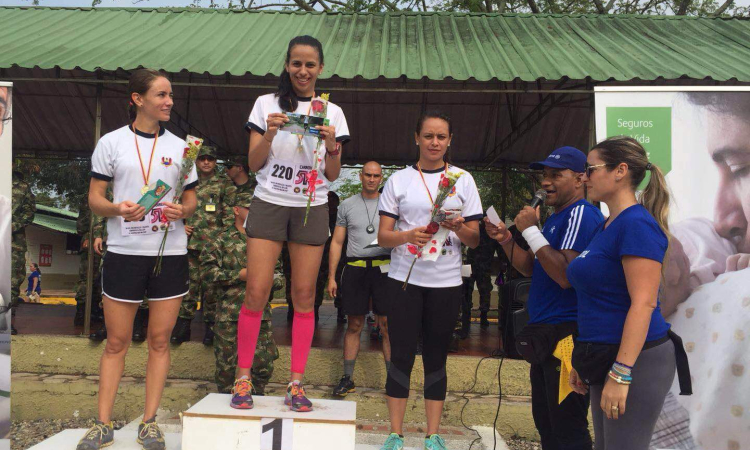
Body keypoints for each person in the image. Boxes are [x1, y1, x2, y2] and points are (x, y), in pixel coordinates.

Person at [76, 68, 198, 450]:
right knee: (117, 342)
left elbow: (192, 199)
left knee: (160, 341)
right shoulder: (111, 143)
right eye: (161, 95)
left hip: (169, 254)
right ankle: (102, 424)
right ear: (137, 99)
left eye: (171, 95)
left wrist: (184, 211)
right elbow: (95, 198)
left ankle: (150, 423)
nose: (169, 102)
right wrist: (116, 208)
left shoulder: (183, 148)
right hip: (125, 252)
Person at [232, 35, 349, 413]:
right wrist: (269, 132)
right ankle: (243, 377)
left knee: (303, 297)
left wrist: (332, 145)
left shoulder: (332, 112)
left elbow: (332, 174)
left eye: (310, 64)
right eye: (296, 63)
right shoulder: (266, 104)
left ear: (320, 69)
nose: (303, 70)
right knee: (256, 292)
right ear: (286, 65)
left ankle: (296, 383)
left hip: (311, 207)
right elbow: (252, 165)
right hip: (268, 202)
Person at [566, 136, 688, 450]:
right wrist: (584, 359)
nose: (584, 177)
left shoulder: (636, 224)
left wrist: (621, 373)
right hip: (605, 354)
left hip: (636, 359)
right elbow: (597, 299)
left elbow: (644, 302)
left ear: (620, 171)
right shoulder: (607, 224)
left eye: (590, 169)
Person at [377, 111, 482, 450]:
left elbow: (475, 240)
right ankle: (395, 433)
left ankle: (432, 435)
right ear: (417, 139)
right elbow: (383, 237)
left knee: (437, 356)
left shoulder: (463, 179)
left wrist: (458, 227)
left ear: (450, 141)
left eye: (441, 137)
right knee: (402, 355)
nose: (434, 142)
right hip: (404, 281)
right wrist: (409, 235)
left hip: (446, 281)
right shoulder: (399, 180)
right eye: (428, 136)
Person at [486, 146, 603, 450]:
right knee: (547, 421)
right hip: (546, 333)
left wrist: (532, 231)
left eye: (556, 175)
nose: (546, 182)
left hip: (567, 335)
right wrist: (508, 239)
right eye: (544, 174)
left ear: (580, 178)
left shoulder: (581, 214)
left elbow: (565, 275)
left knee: (567, 425)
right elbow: (530, 267)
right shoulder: (554, 218)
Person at [201, 189, 280, 396]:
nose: (254, 211)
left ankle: (257, 399)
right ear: (236, 210)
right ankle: (228, 408)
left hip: (260, 315)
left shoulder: (268, 241)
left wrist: (266, 278)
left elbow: (279, 274)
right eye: (249, 207)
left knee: (263, 364)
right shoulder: (220, 239)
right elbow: (208, 273)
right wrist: (240, 275)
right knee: (226, 368)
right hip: (229, 315)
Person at [327, 161, 391, 397]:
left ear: (381, 178)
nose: (372, 179)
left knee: (387, 326)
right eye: (368, 175)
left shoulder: (391, 205)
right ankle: (348, 377)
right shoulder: (346, 205)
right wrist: (331, 277)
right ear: (360, 176)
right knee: (354, 324)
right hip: (355, 268)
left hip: (385, 269)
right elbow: (336, 242)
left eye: (376, 175)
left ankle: (392, 380)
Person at [173, 145, 233, 346]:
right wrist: (180, 224)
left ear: (216, 161)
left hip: (213, 247)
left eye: (210, 159)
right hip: (189, 245)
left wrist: (223, 240)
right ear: (197, 161)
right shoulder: (186, 181)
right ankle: (183, 328)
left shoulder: (224, 183)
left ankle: (210, 329)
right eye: (202, 158)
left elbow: (229, 214)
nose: (206, 162)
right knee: (188, 287)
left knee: (212, 290)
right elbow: (172, 206)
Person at [74, 190, 105, 326]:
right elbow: (81, 226)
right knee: (88, 279)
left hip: (109, 242)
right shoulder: (91, 199)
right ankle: (82, 313)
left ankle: (93, 312)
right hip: (93, 242)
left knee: (97, 279)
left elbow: (80, 226)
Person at [10, 166, 35, 335]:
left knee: (12, 282)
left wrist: (13, 226)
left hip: (14, 242)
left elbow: (30, 212)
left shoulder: (23, 187)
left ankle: (6, 321)